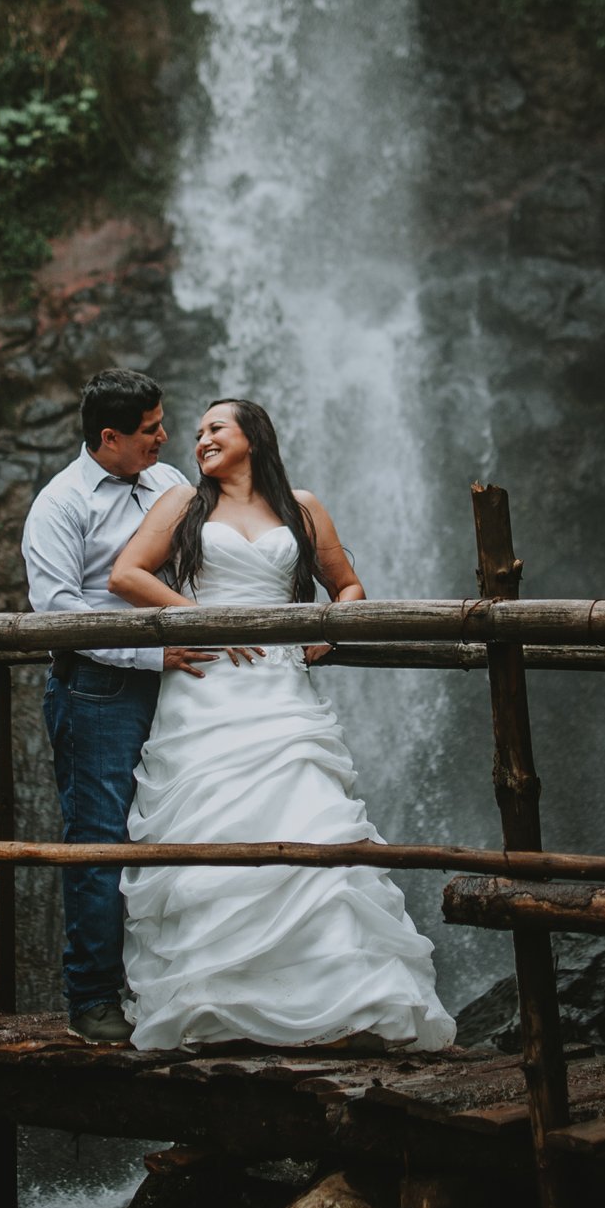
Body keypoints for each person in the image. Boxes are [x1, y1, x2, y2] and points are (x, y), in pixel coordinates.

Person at [106, 398, 455, 1052]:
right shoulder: (183, 503)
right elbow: (126, 574)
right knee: (212, 822)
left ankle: (339, 1001)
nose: (201, 438)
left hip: (280, 688)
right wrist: (197, 617)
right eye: (200, 431)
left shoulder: (302, 505)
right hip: (207, 686)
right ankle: (216, 1001)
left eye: (216, 427)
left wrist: (329, 626)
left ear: (252, 437)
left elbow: (348, 586)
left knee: (306, 816)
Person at [21, 369, 219, 1044]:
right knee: (100, 843)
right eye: (151, 430)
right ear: (109, 438)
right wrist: (151, 655)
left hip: (184, 684)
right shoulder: (60, 504)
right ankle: (94, 999)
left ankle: (183, 987)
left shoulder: (167, 486)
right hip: (99, 690)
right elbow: (59, 616)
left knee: (183, 825)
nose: (169, 437)